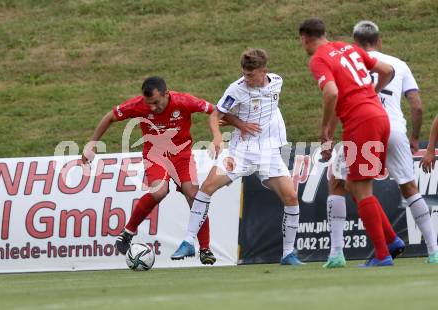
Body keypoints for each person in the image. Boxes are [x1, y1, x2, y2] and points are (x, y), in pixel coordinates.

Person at [171, 48, 303, 266]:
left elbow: (268, 108)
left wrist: (238, 120)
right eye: (244, 73)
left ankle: (288, 253)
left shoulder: (277, 81)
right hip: (240, 150)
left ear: (264, 71)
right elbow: (216, 115)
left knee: (291, 197)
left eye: (251, 75)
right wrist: (218, 136)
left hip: (268, 152)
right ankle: (187, 241)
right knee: (207, 187)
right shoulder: (236, 89)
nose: (246, 78)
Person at [322, 21, 438, 267]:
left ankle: (338, 252)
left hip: (363, 125)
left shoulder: (348, 61)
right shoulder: (398, 63)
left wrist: (328, 136)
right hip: (393, 128)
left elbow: (335, 99)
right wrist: (415, 138)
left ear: (355, 43)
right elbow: (416, 106)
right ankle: (434, 250)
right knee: (409, 186)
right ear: (380, 40)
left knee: (341, 183)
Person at [82, 76, 221, 265]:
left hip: (182, 156)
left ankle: (205, 248)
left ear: (166, 93)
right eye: (149, 104)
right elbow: (110, 116)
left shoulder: (184, 101)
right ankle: (128, 232)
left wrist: (217, 136)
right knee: (159, 191)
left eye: (156, 102)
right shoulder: (139, 105)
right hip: (155, 156)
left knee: (194, 194)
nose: (152, 108)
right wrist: (92, 144)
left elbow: (214, 110)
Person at [299, 18, 400, 267]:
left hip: (361, 122)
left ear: (304, 38)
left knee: (359, 187)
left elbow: (332, 93)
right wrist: (371, 93)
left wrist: (324, 128)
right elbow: (387, 70)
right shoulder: (350, 48)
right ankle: (392, 241)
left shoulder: (319, 59)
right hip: (378, 116)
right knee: (355, 185)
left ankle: (382, 255)